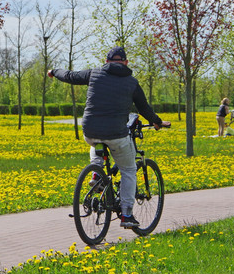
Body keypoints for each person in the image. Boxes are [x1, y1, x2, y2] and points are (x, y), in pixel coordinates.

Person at [47, 46, 169, 229]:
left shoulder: (94, 74)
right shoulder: (132, 82)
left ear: (106, 62)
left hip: (89, 130)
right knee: (128, 169)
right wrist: (157, 122)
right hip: (116, 134)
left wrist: (54, 71)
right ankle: (127, 215)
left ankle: (96, 173)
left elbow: (70, 76)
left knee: (95, 139)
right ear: (126, 63)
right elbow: (144, 109)